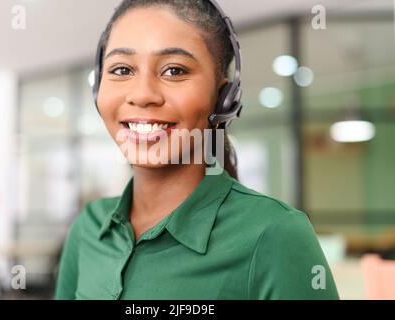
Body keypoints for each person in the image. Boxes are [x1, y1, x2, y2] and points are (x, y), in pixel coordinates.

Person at [55, 0, 339, 300]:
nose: (142, 95)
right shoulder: (89, 227)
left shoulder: (276, 235)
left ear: (223, 97)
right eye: (122, 69)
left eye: (174, 70)